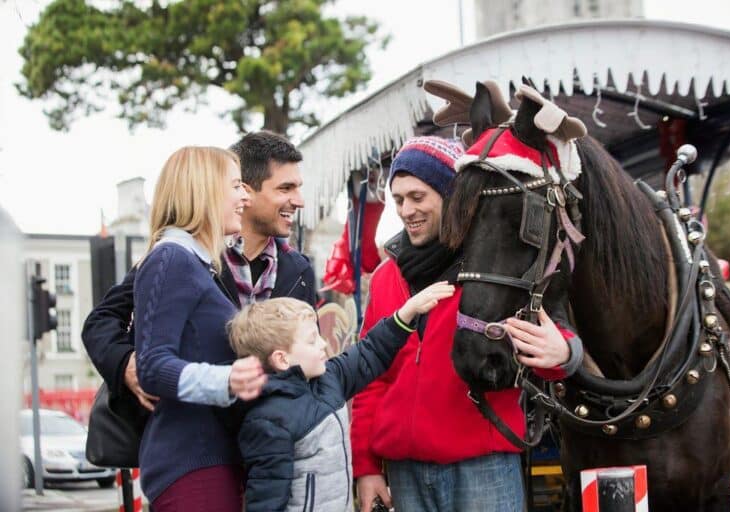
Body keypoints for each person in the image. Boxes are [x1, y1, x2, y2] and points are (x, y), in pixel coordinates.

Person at [351, 136, 584, 512]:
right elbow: (371, 377)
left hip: (483, 465)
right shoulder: (385, 277)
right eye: (398, 199)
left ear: (451, 195)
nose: (406, 210)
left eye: (417, 196)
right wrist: (366, 467)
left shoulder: (495, 266)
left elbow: (561, 334)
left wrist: (564, 352)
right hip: (404, 470)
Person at [82, 130, 316, 412]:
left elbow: (306, 355)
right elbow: (101, 321)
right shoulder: (181, 256)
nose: (299, 200)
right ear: (247, 190)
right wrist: (128, 365)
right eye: (285, 188)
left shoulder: (300, 270)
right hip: (193, 432)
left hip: (263, 438)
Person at [228, 282, 454, 512]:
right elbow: (267, 499)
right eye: (312, 340)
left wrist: (406, 313)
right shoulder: (269, 420)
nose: (323, 344)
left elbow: (371, 352)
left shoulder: (328, 379)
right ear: (282, 359)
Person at [132, 146, 251, 510]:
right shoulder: (172, 259)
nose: (245, 195)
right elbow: (151, 366)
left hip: (209, 463)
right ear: (204, 190)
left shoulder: (195, 265)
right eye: (235, 185)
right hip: (192, 466)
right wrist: (229, 380)